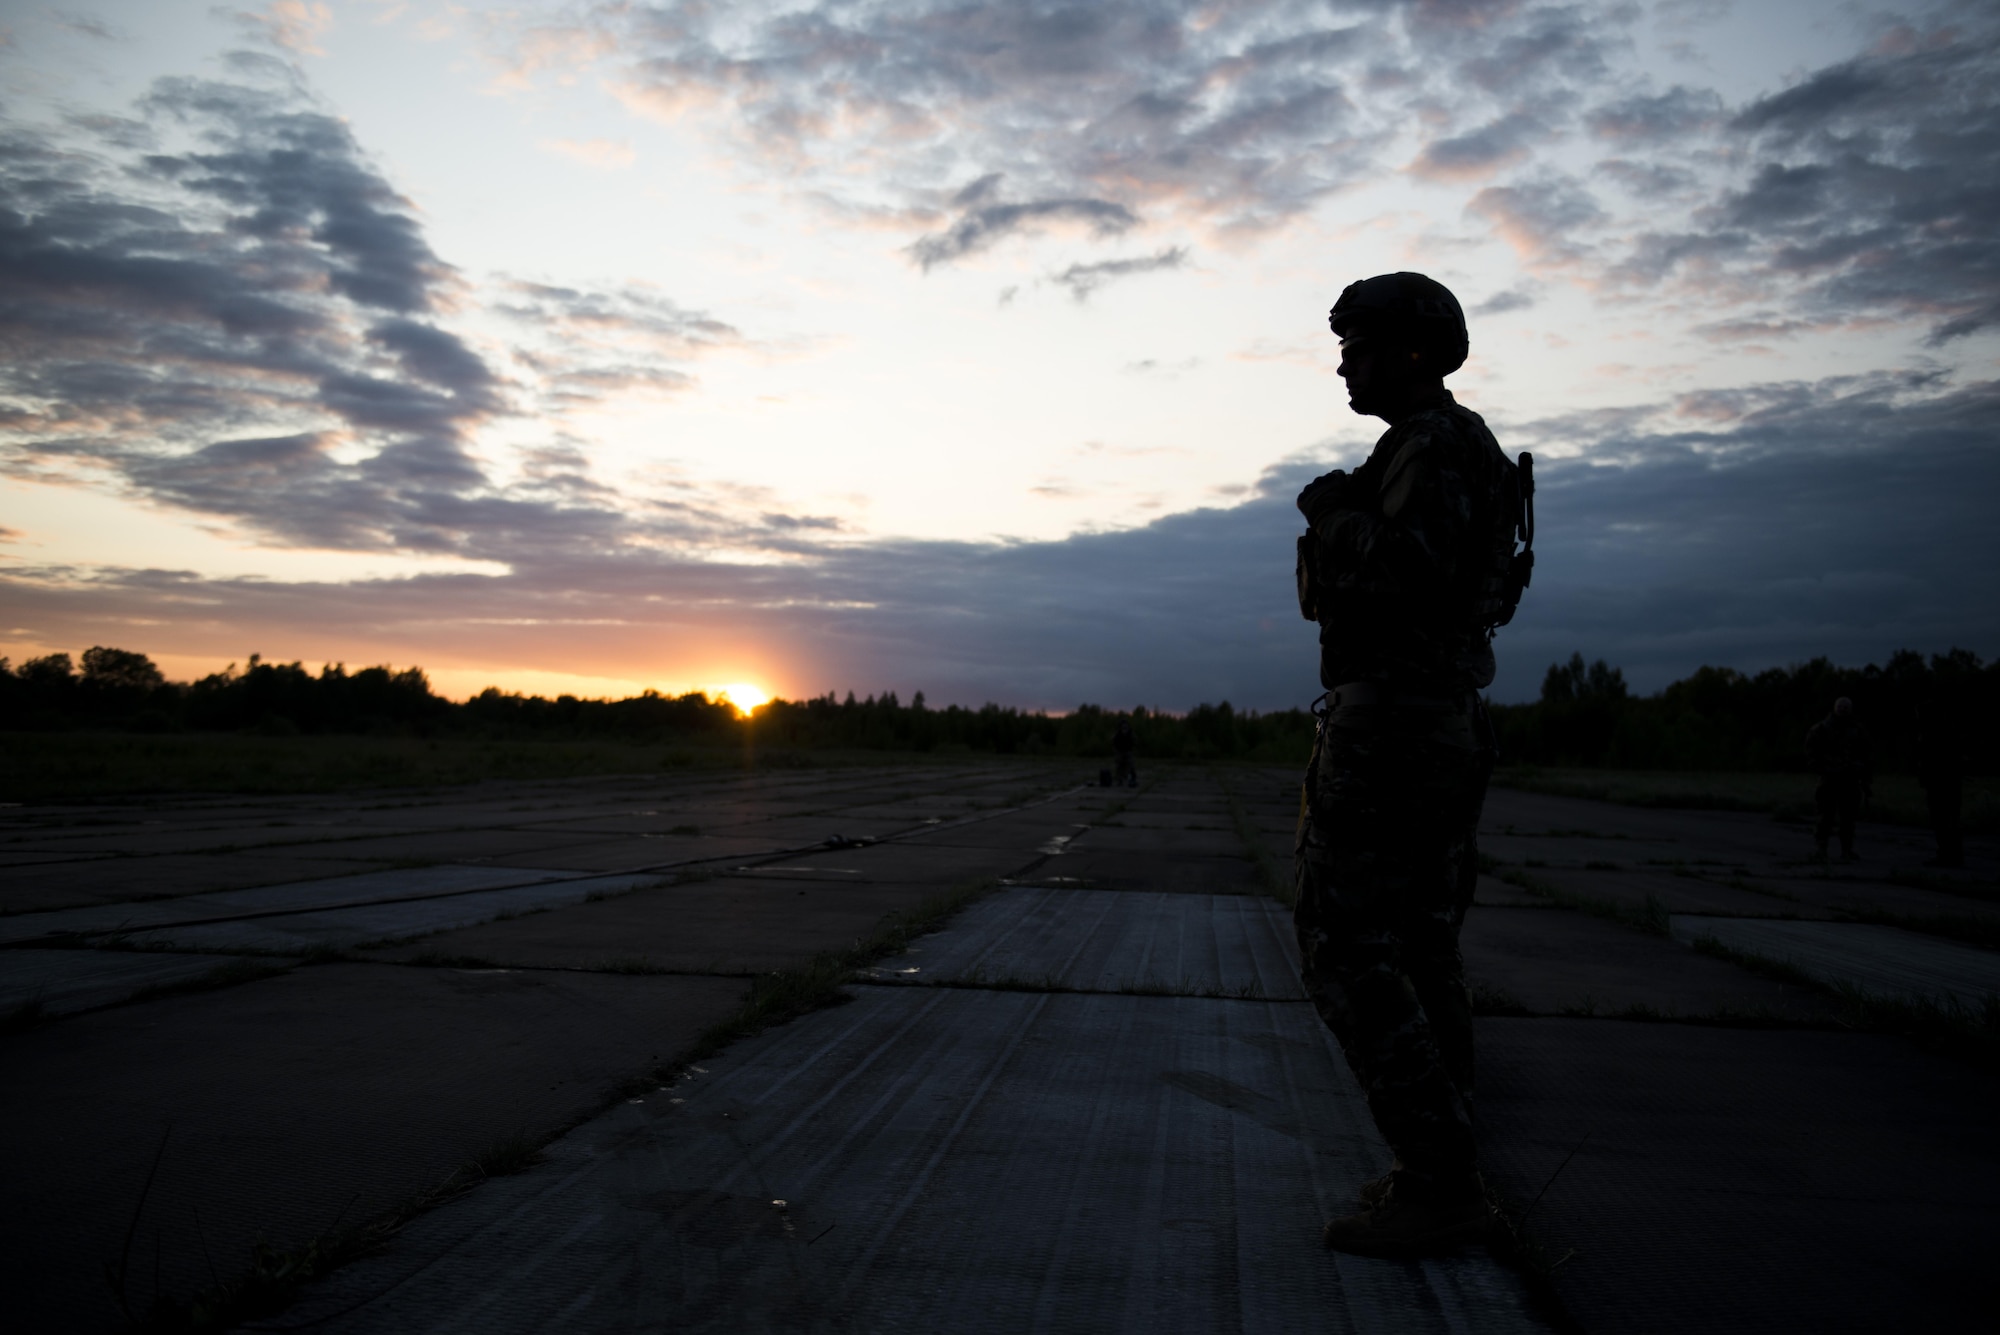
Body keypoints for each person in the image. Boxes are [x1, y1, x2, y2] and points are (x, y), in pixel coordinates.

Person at [1291, 272, 1532, 1257]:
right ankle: (1447, 1162)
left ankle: (1438, 1177)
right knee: (1421, 940)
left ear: (1412, 352)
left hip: (1394, 726)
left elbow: (1391, 584)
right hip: (1437, 721)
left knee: (1345, 944)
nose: (1342, 358)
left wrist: (1330, 516)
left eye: (1359, 341)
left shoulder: (1429, 450)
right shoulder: (1456, 450)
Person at [1805, 697, 1870, 862]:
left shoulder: (1857, 730)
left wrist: (1862, 771)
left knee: (1848, 818)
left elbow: (1866, 754)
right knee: (1825, 816)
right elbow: (1811, 752)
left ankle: (1847, 850)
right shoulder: (1821, 729)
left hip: (1850, 780)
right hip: (1830, 778)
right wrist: (1823, 768)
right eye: (1840, 707)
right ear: (1835, 708)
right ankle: (1821, 849)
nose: (1843, 710)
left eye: (1846, 707)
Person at [1915, 699, 1964, 868]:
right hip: (1943, 781)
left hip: (1941, 783)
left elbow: (1933, 759)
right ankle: (1950, 853)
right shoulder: (1943, 730)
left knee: (1944, 819)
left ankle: (1949, 854)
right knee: (1947, 820)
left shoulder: (1935, 733)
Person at [1112, 718, 1138, 788]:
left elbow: (1134, 741)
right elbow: (1114, 742)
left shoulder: (1130, 733)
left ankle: (1133, 779)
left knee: (1131, 766)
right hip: (1120, 751)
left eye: (1125, 727)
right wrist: (1116, 752)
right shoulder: (1118, 734)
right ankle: (1120, 780)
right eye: (1123, 727)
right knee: (1119, 766)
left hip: (1128, 751)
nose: (1124, 729)